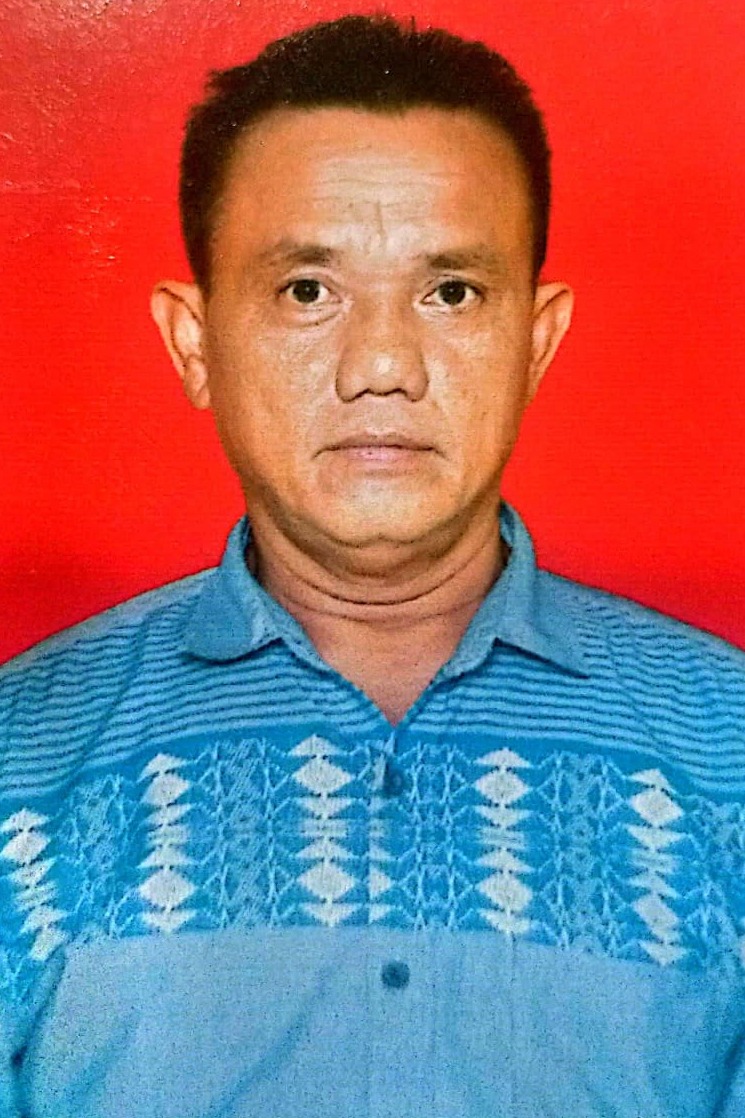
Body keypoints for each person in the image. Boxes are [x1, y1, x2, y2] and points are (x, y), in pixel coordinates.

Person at [0, 13, 744, 1117]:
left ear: (536, 341)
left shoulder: (727, 748)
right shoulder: (21, 755)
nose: (384, 364)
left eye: (452, 292)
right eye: (307, 290)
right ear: (194, 342)